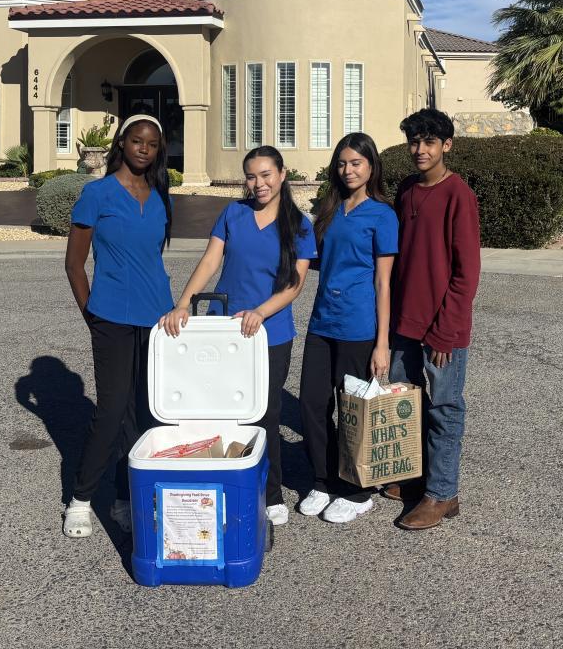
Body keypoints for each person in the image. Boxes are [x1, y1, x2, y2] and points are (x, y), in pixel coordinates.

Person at [160, 146, 316, 527]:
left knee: (266, 413)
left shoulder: (299, 225)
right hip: (223, 329)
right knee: (219, 407)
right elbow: (211, 261)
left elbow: (295, 284)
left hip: (269, 333)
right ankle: (224, 482)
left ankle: (271, 493)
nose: (258, 183)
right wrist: (183, 303)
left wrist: (261, 312)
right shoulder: (233, 213)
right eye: (251, 176)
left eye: (266, 175)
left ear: (282, 175)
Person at [61, 114, 174, 539]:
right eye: (137, 141)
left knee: (145, 412)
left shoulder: (161, 196)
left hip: (158, 319)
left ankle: (125, 498)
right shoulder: (98, 194)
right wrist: (91, 314)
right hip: (111, 317)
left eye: (152, 143)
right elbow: (74, 264)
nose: (144, 149)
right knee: (111, 411)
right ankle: (81, 499)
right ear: (122, 143)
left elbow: (153, 259)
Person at [385, 107, 481, 530]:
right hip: (405, 321)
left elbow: (466, 273)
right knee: (407, 403)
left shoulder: (458, 195)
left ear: (447, 145)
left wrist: (445, 331)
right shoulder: (407, 190)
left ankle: (443, 493)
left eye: (429, 142)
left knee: (444, 408)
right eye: (414, 142)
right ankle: (417, 477)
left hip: (443, 328)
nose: (420, 149)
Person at [298, 132, 397, 524]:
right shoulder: (331, 209)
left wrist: (382, 343)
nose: (348, 170)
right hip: (323, 321)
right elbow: (312, 258)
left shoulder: (382, 215)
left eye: (356, 163)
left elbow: (383, 283)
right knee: (312, 403)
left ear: (371, 166)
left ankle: (357, 491)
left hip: (359, 325)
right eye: (342, 163)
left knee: (353, 409)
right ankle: (323, 480)